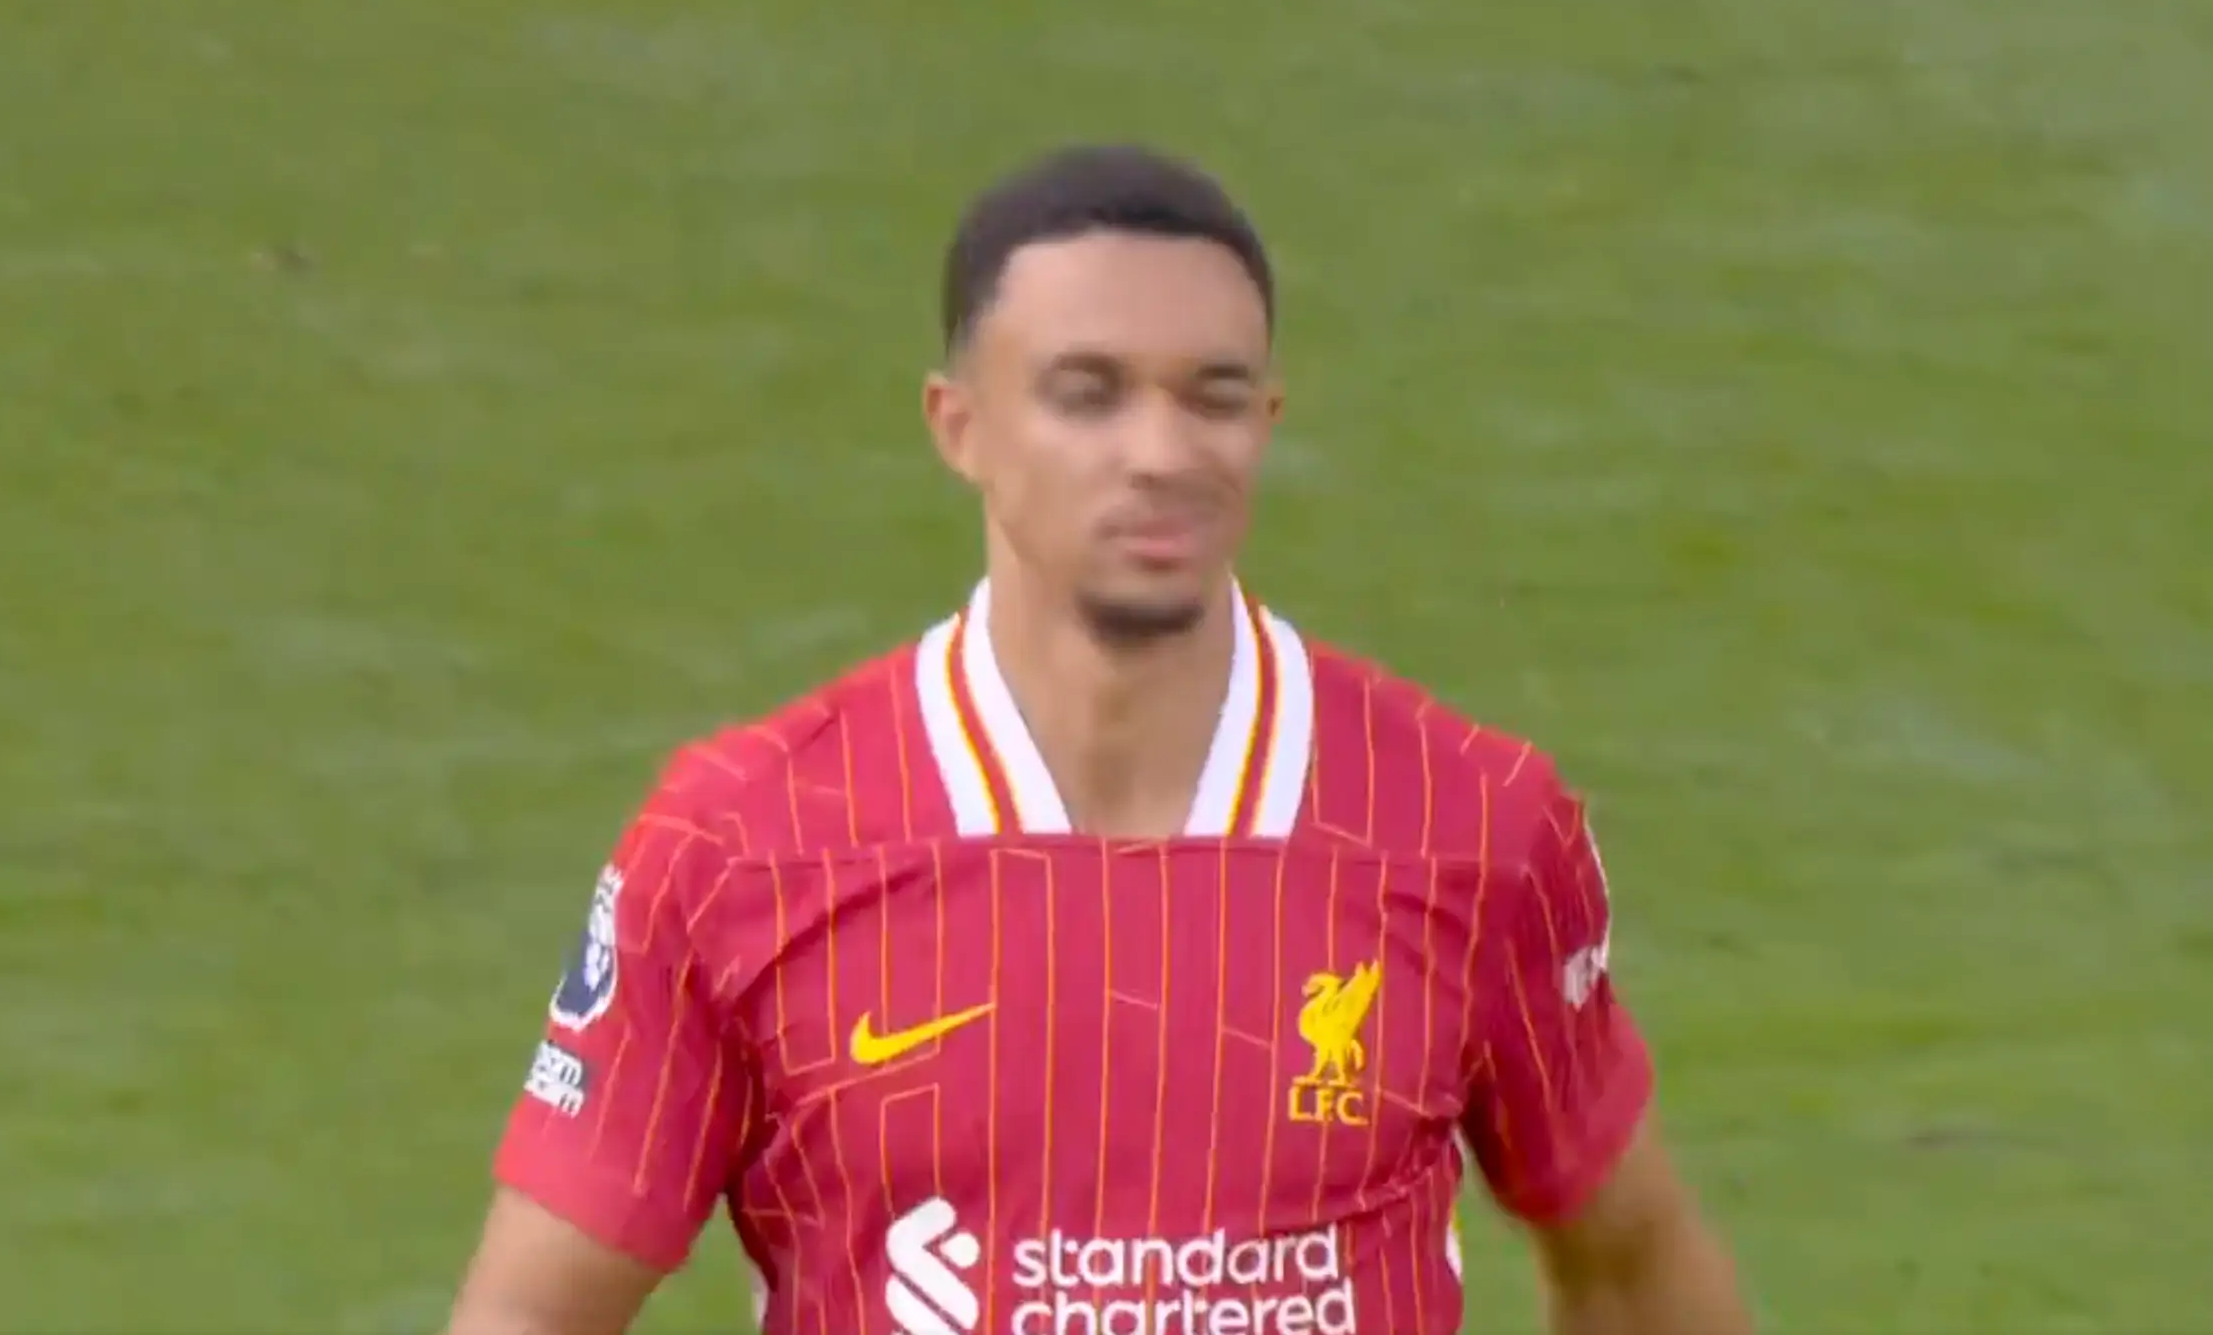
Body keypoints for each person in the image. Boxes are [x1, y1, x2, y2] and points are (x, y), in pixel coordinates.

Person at [445, 144, 1750, 1335]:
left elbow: (1633, 1265)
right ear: (959, 427)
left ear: (1267, 425)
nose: (1159, 453)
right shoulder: (743, 846)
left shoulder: (1470, 825)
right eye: (1087, 395)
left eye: (1213, 396)